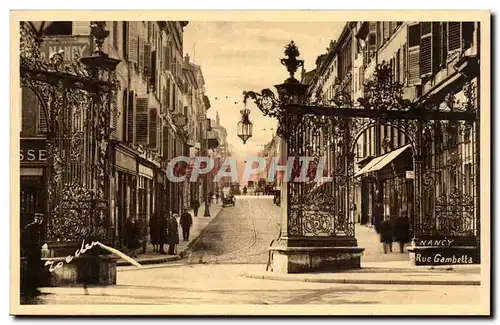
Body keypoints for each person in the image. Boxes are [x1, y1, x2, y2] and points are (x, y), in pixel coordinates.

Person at [21, 213, 44, 296]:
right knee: (30, 271)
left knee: (35, 271)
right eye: (38, 218)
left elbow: (40, 240)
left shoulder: (40, 228)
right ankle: (29, 290)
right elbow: (25, 241)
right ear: (35, 218)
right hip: (31, 253)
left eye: (41, 218)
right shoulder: (29, 228)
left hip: (37, 253)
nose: (40, 220)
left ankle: (34, 288)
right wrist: (27, 251)